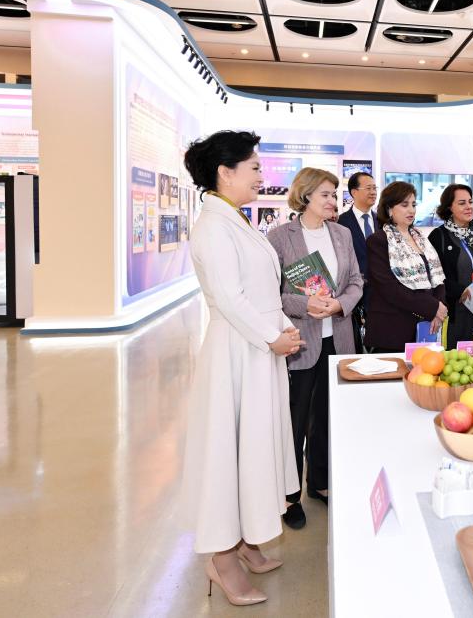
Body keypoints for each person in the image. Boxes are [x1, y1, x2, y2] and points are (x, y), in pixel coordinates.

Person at [180, 130, 305, 607]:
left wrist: (281, 329)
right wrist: (272, 337)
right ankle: (223, 557)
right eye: (253, 167)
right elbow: (230, 299)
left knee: (253, 449)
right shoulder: (213, 227)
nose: (260, 175)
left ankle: (247, 540)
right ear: (224, 172)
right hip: (237, 353)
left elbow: (261, 292)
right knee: (231, 453)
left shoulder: (235, 219)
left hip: (257, 350)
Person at [267, 168, 363, 528]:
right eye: (325, 194)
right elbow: (272, 295)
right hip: (301, 340)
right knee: (295, 420)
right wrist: (304, 304)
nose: (332, 201)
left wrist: (340, 305)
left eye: (334, 194)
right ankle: (289, 496)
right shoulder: (280, 238)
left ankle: (319, 482)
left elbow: (356, 281)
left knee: (326, 415)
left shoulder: (341, 234)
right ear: (305, 195)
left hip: (337, 337)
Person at [365, 181, 447, 352]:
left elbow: (437, 277)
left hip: (426, 325)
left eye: (413, 204)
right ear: (389, 209)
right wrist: (432, 307)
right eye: (404, 205)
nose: (411, 210)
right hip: (393, 330)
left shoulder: (421, 238)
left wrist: (438, 308)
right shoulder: (378, 241)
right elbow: (389, 288)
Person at [427, 184, 473, 348]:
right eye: (462, 203)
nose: (469, 207)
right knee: (456, 356)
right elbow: (434, 276)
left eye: (470, 202)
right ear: (449, 207)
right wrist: (460, 290)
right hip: (455, 312)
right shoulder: (439, 236)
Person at [336, 171, 377, 352]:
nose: (373, 192)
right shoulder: (341, 223)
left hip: (381, 295)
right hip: (356, 298)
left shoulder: (382, 221)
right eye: (368, 188)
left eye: (375, 188)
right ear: (354, 192)